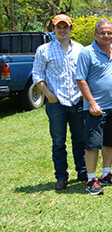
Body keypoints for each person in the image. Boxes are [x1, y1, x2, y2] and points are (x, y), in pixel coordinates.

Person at [32, 14, 87, 190]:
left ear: (70, 29)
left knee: (80, 140)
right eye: (59, 27)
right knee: (58, 142)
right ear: (53, 29)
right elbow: (38, 75)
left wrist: (82, 95)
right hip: (56, 103)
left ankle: (83, 171)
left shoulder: (80, 49)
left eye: (65, 27)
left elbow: (86, 74)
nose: (62, 30)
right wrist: (49, 95)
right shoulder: (44, 50)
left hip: (77, 101)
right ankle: (61, 177)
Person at [76, 19, 112, 195]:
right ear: (96, 34)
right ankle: (91, 179)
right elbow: (80, 79)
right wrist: (92, 103)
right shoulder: (87, 53)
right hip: (94, 109)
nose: (106, 35)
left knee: (110, 142)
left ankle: (106, 174)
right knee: (93, 145)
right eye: (102, 32)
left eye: (109, 33)